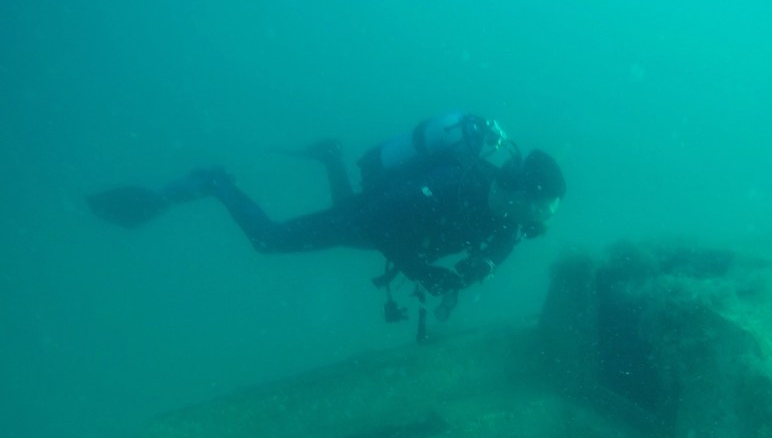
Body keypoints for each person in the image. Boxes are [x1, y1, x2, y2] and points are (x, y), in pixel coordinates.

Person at [87, 112, 566, 337]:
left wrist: (479, 266)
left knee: (349, 221)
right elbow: (375, 222)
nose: (546, 221)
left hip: (397, 229)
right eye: (544, 208)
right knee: (268, 240)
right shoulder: (448, 184)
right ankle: (215, 181)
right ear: (521, 192)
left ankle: (331, 156)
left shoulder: (511, 215)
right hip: (378, 220)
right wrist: (422, 271)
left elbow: (505, 239)